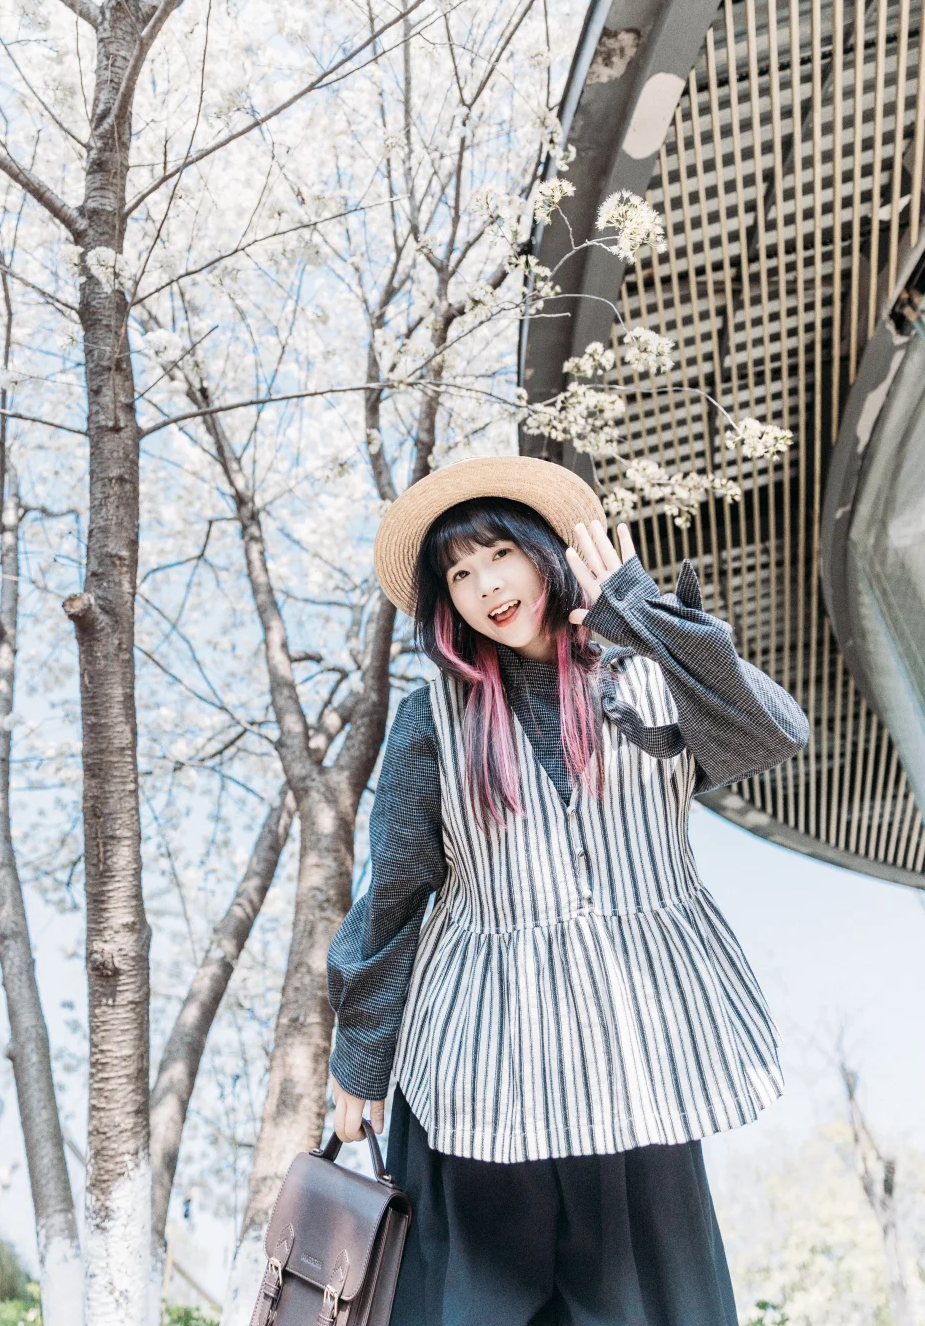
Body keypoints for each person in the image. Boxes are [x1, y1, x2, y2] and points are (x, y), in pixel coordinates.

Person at [325, 456, 809, 1326]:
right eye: (459, 574)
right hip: (478, 1072)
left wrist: (641, 616)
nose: (485, 586)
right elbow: (394, 893)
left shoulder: (647, 679)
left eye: (499, 554)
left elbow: (771, 733)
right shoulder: (432, 720)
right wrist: (359, 1061)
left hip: (636, 1063)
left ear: (547, 553)